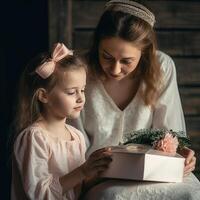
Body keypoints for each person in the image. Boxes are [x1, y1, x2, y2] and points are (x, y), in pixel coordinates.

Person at [69, 0, 200, 199]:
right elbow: (71, 140)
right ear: (97, 45)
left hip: (155, 173)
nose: (115, 69)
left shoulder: (162, 67)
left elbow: (169, 133)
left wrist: (180, 153)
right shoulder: (79, 71)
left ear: (145, 52)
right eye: (107, 56)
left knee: (191, 193)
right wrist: (87, 174)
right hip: (97, 177)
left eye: (127, 61)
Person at [11, 43, 112, 200]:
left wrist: (97, 170)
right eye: (71, 92)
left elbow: (77, 189)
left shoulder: (77, 137)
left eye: (83, 90)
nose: (81, 98)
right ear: (44, 96)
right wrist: (82, 171)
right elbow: (39, 195)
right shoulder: (35, 137)